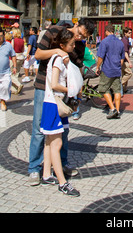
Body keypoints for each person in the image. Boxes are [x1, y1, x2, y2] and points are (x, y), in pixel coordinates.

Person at [28, 18, 95, 186]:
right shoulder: (54, 31)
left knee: (63, 130)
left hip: (63, 93)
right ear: (76, 25)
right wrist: (57, 51)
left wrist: (77, 94)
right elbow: (38, 54)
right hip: (44, 86)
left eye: (83, 37)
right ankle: (34, 168)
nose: (79, 38)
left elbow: (78, 68)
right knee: (38, 128)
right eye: (79, 33)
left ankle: (62, 164)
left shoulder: (79, 45)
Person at [40, 28, 80, 196]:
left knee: (49, 142)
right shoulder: (57, 60)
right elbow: (54, 84)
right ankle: (62, 183)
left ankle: (46, 175)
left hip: (52, 103)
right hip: (54, 103)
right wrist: (72, 89)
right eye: (71, 44)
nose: (74, 46)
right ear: (63, 45)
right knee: (57, 143)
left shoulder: (60, 58)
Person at [96, 23, 125, 119]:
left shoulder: (104, 42)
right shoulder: (120, 42)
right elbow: (122, 59)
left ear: (107, 31)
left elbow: (101, 56)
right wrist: (117, 66)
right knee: (117, 90)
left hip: (107, 69)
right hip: (117, 70)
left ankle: (112, 109)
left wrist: (97, 67)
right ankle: (117, 110)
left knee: (104, 88)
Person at [0, 28, 17, 111]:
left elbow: (13, 55)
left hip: (5, 72)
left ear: (3, 36)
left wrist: (14, 66)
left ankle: (3, 101)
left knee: (6, 86)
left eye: (1, 36)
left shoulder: (8, 45)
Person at [11, 28, 24, 94]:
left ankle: (18, 85)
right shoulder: (22, 40)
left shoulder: (14, 40)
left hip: (15, 57)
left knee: (11, 73)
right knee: (17, 73)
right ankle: (15, 89)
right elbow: (23, 50)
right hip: (21, 57)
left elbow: (11, 50)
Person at [121, 27, 133, 93]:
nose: (130, 34)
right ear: (125, 33)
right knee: (129, 73)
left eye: (131, 33)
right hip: (124, 60)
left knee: (124, 74)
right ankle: (120, 85)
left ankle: (123, 89)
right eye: (129, 33)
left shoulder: (126, 39)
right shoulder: (124, 41)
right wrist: (129, 62)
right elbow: (125, 52)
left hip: (123, 60)